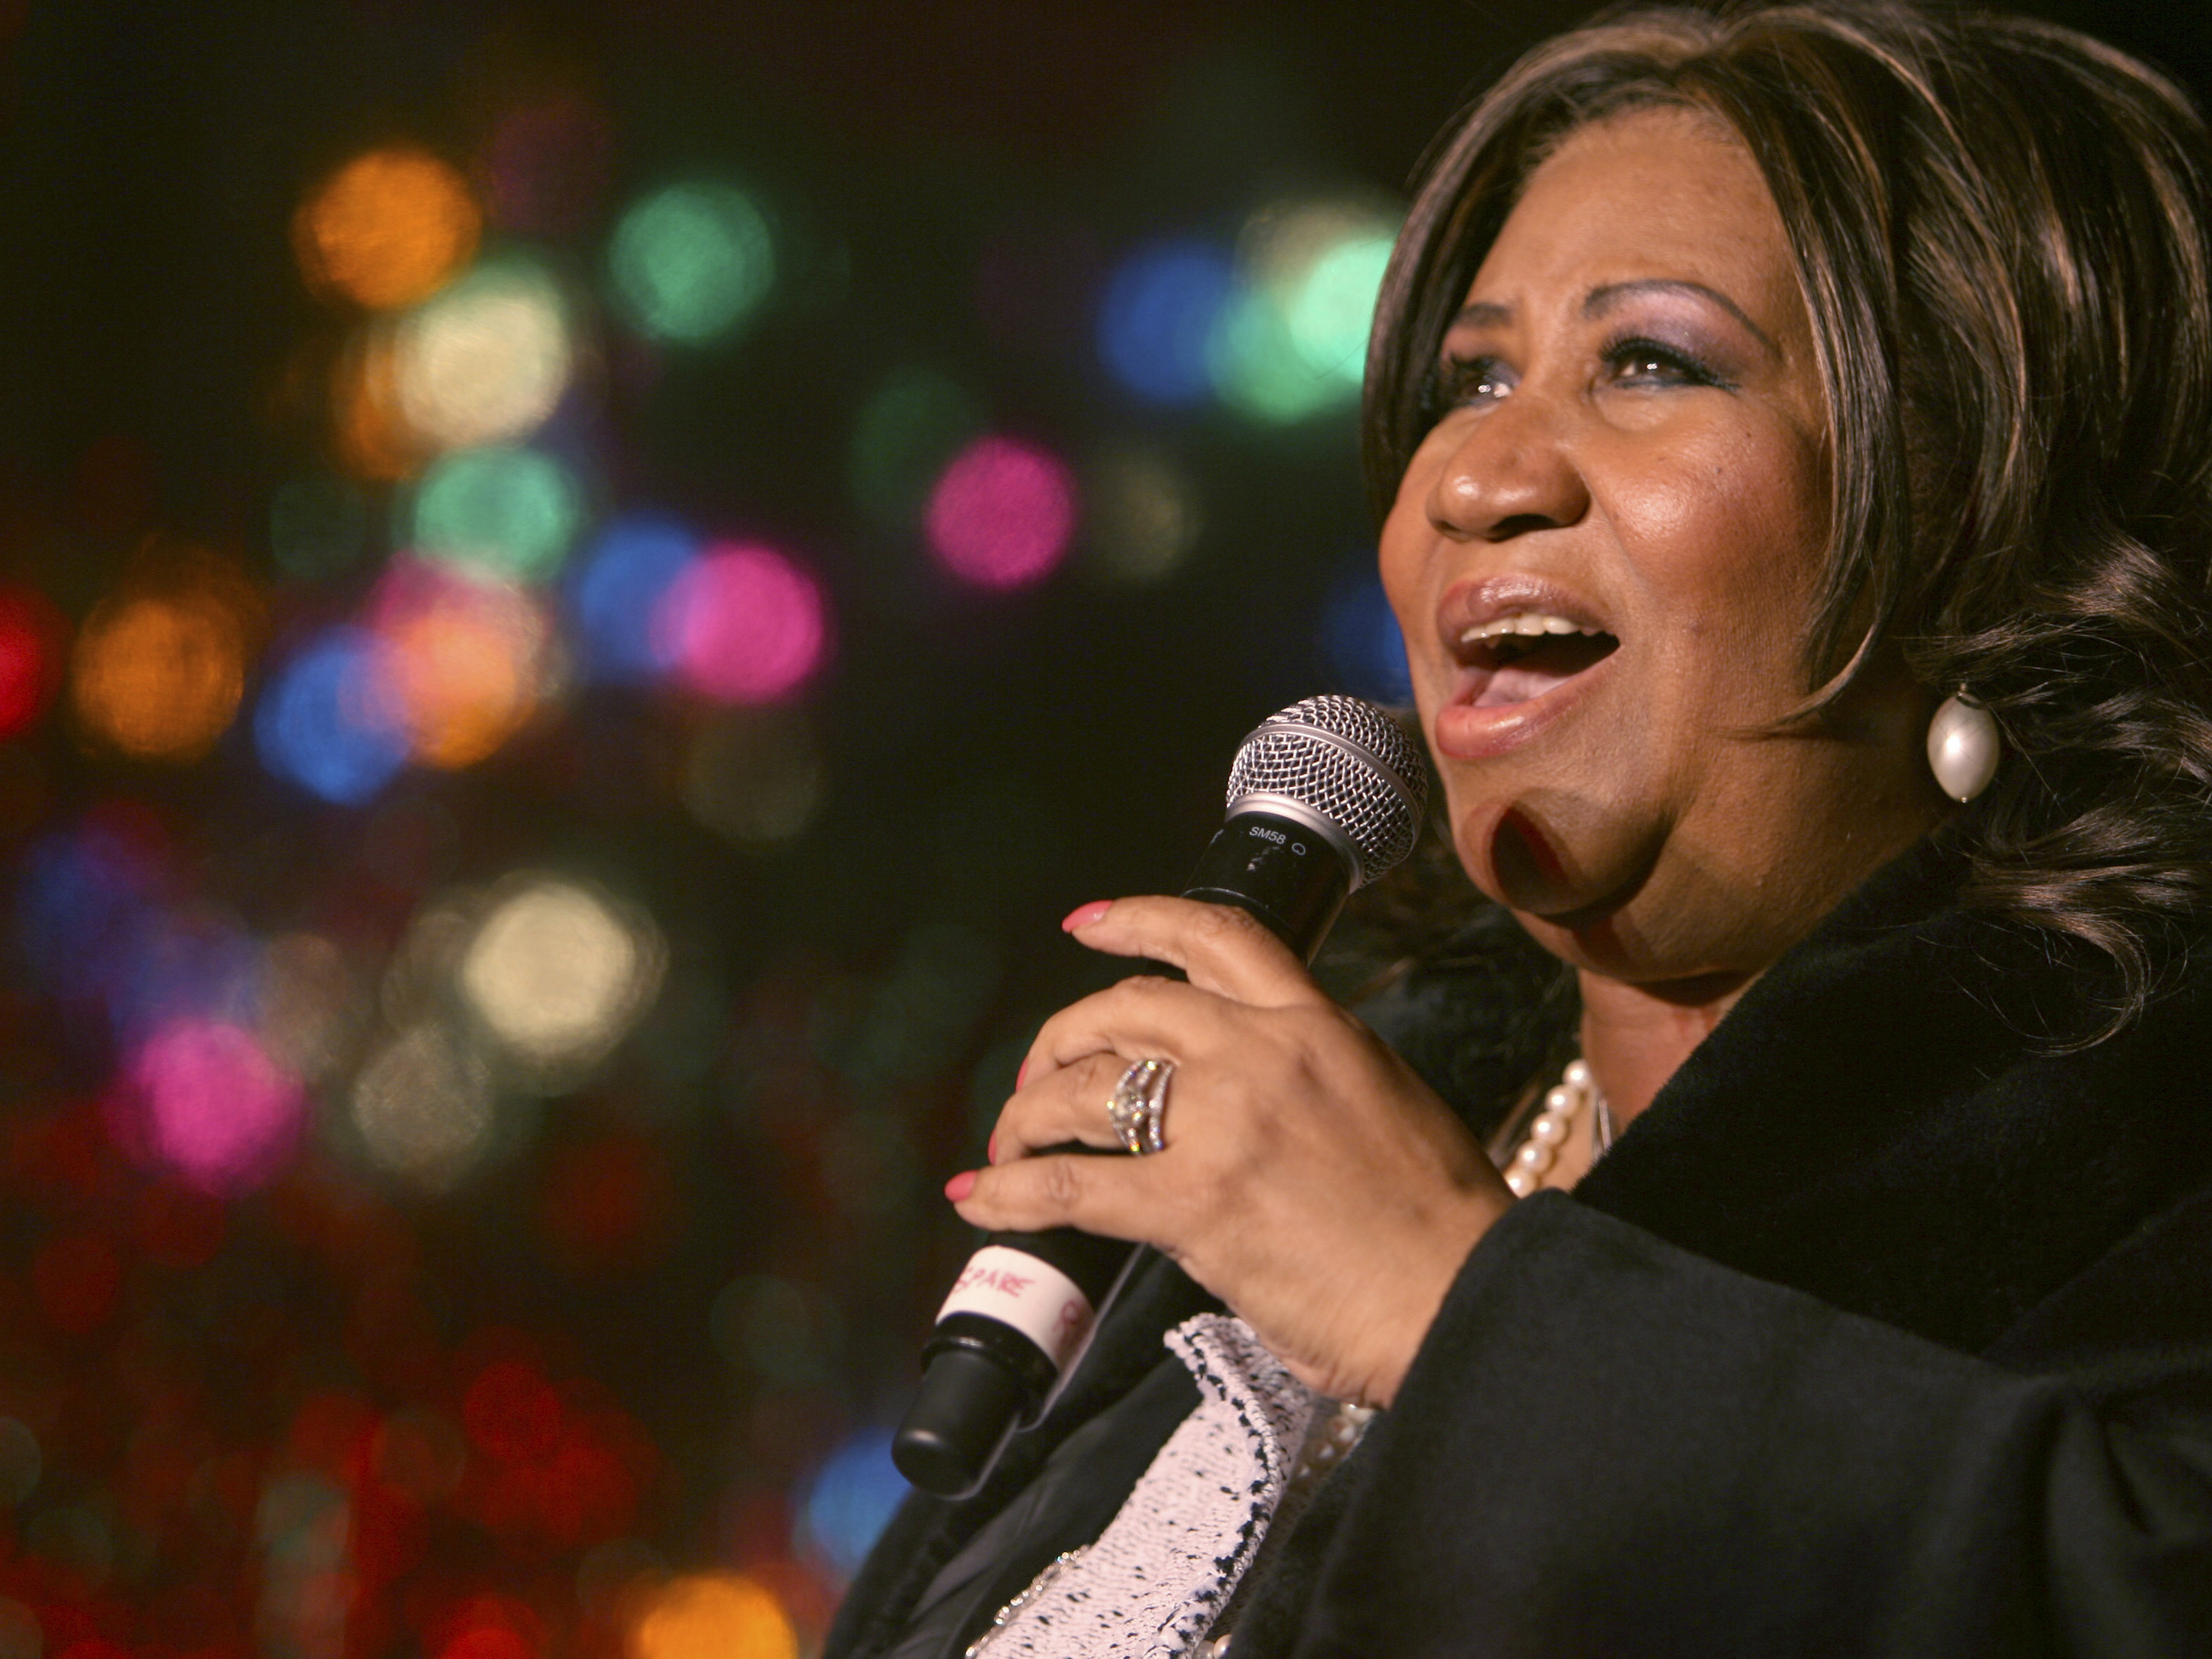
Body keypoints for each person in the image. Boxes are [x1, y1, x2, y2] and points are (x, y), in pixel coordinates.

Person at [827, 3, 2212, 1653]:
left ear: (1989, 521)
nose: (1476, 472)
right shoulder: (1325, 1145)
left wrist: (1451, 1311)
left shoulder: (2143, 1176)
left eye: (1650, 362)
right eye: (1471, 374)